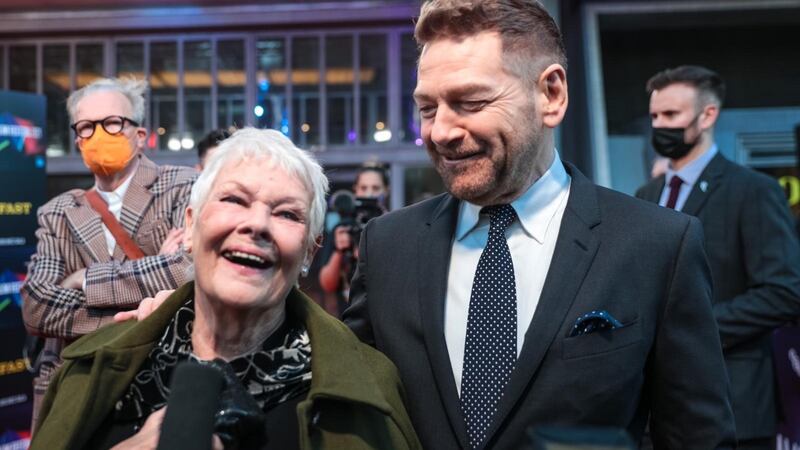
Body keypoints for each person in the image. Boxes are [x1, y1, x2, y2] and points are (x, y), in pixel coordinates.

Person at [343, 1, 736, 449]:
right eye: (428, 108)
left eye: (470, 102)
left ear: (551, 95)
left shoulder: (657, 245)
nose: (440, 132)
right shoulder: (388, 247)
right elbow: (354, 416)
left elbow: (697, 438)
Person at [30, 128, 421, 450]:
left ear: (308, 251)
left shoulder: (372, 393)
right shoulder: (90, 370)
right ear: (190, 227)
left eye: (287, 213)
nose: (257, 225)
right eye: (234, 200)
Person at [636, 65, 800, 449]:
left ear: (708, 115)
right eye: (655, 116)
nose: (660, 125)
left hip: (734, 406)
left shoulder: (753, 191)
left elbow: (784, 291)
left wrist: (694, 331)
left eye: (671, 115)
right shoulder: (646, 194)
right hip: (655, 414)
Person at [20, 77, 195, 431]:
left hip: (158, 377)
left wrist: (84, 278)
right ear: (77, 138)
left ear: (140, 135)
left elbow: (189, 270)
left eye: (113, 123)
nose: (99, 134)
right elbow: (36, 306)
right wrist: (141, 308)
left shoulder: (182, 186)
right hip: (72, 381)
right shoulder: (58, 211)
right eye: (86, 127)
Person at [318, 165, 389, 315]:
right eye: (363, 188)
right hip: (348, 317)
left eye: (375, 188)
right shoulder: (343, 227)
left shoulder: (395, 226)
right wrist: (339, 251)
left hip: (385, 315)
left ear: (386, 190)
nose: (369, 194)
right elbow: (327, 284)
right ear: (355, 190)